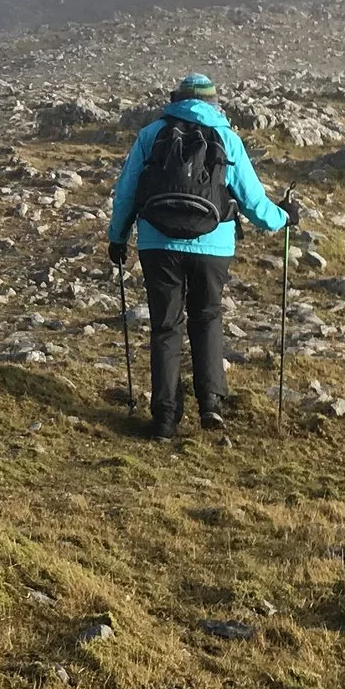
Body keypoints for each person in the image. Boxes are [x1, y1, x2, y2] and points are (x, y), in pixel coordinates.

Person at [106, 75, 290, 439]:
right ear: (213, 102)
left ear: (175, 99)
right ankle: (211, 404)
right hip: (213, 244)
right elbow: (252, 200)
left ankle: (163, 417)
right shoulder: (227, 138)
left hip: (157, 244)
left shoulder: (151, 135)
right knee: (207, 318)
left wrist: (117, 238)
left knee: (165, 327)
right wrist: (283, 217)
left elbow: (126, 192)